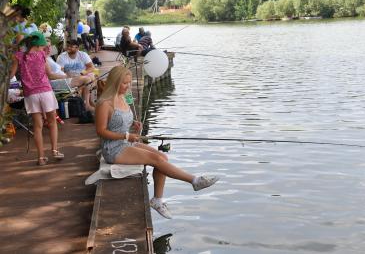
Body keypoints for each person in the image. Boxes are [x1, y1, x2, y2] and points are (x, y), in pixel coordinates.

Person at [95, 66, 219, 219]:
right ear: (114, 82)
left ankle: (157, 200)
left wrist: (134, 123)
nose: (128, 87)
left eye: (129, 83)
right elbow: (101, 131)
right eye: (124, 83)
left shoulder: (123, 97)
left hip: (126, 142)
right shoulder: (104, 103)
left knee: (162, 158)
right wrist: (126, 136)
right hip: (113, 149)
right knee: (157, 160)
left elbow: (119, 119)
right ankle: (194, 181)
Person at [10, 31, 65, 166]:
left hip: (31, 95)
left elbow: (11, 75)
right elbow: (50, 74)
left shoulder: (19, 57)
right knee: (52, 122)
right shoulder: (42, 54)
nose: (43, 48)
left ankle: (41, 158)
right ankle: (55, 150)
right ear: (39, 44)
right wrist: (64, 76)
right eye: (42, 45)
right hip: (45, 91)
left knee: (38, 127)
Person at [44, 39, 94, 112]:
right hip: (59, 82)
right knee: (87, 80)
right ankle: (86, 105)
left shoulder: (48, 57)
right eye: (46, 47)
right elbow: (50, 76)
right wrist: (67, 76)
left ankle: (85, 103)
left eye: (49, 46)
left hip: (65, 78)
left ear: (77, 48)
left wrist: (82, 73)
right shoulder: (45, 59)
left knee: (91, 77)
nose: (49, 49)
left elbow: (91, 67)